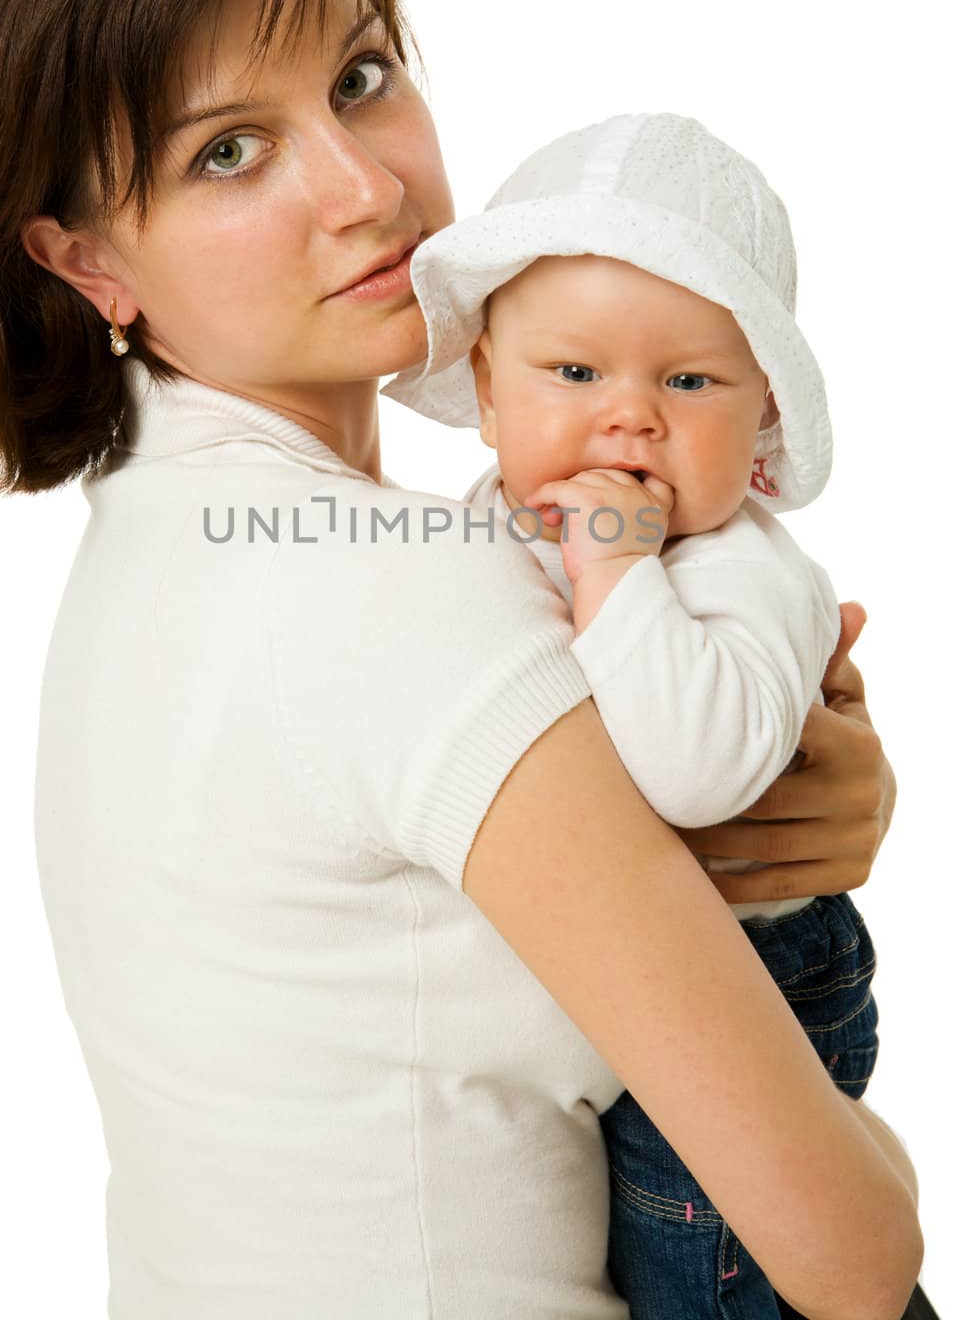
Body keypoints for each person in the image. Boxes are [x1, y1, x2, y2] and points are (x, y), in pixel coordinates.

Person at [0, 0, 921, 1319]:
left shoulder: (159, 536)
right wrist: (869, 1137)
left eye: (361, 74)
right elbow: (844, 1257)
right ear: (81, 262)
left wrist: (791, 786)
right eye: (226, 150)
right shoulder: (402, 592)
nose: (365, 186)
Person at [381, 111, 880, 1317]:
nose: (630, 416)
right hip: (607, 977)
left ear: (759, 416)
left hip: (749, 983)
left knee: (694, 1275)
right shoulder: (484, 533)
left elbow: (696, 775)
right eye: (573, 372)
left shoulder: (736, 571)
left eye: (689, 381)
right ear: (486, 395)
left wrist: (619, 571)